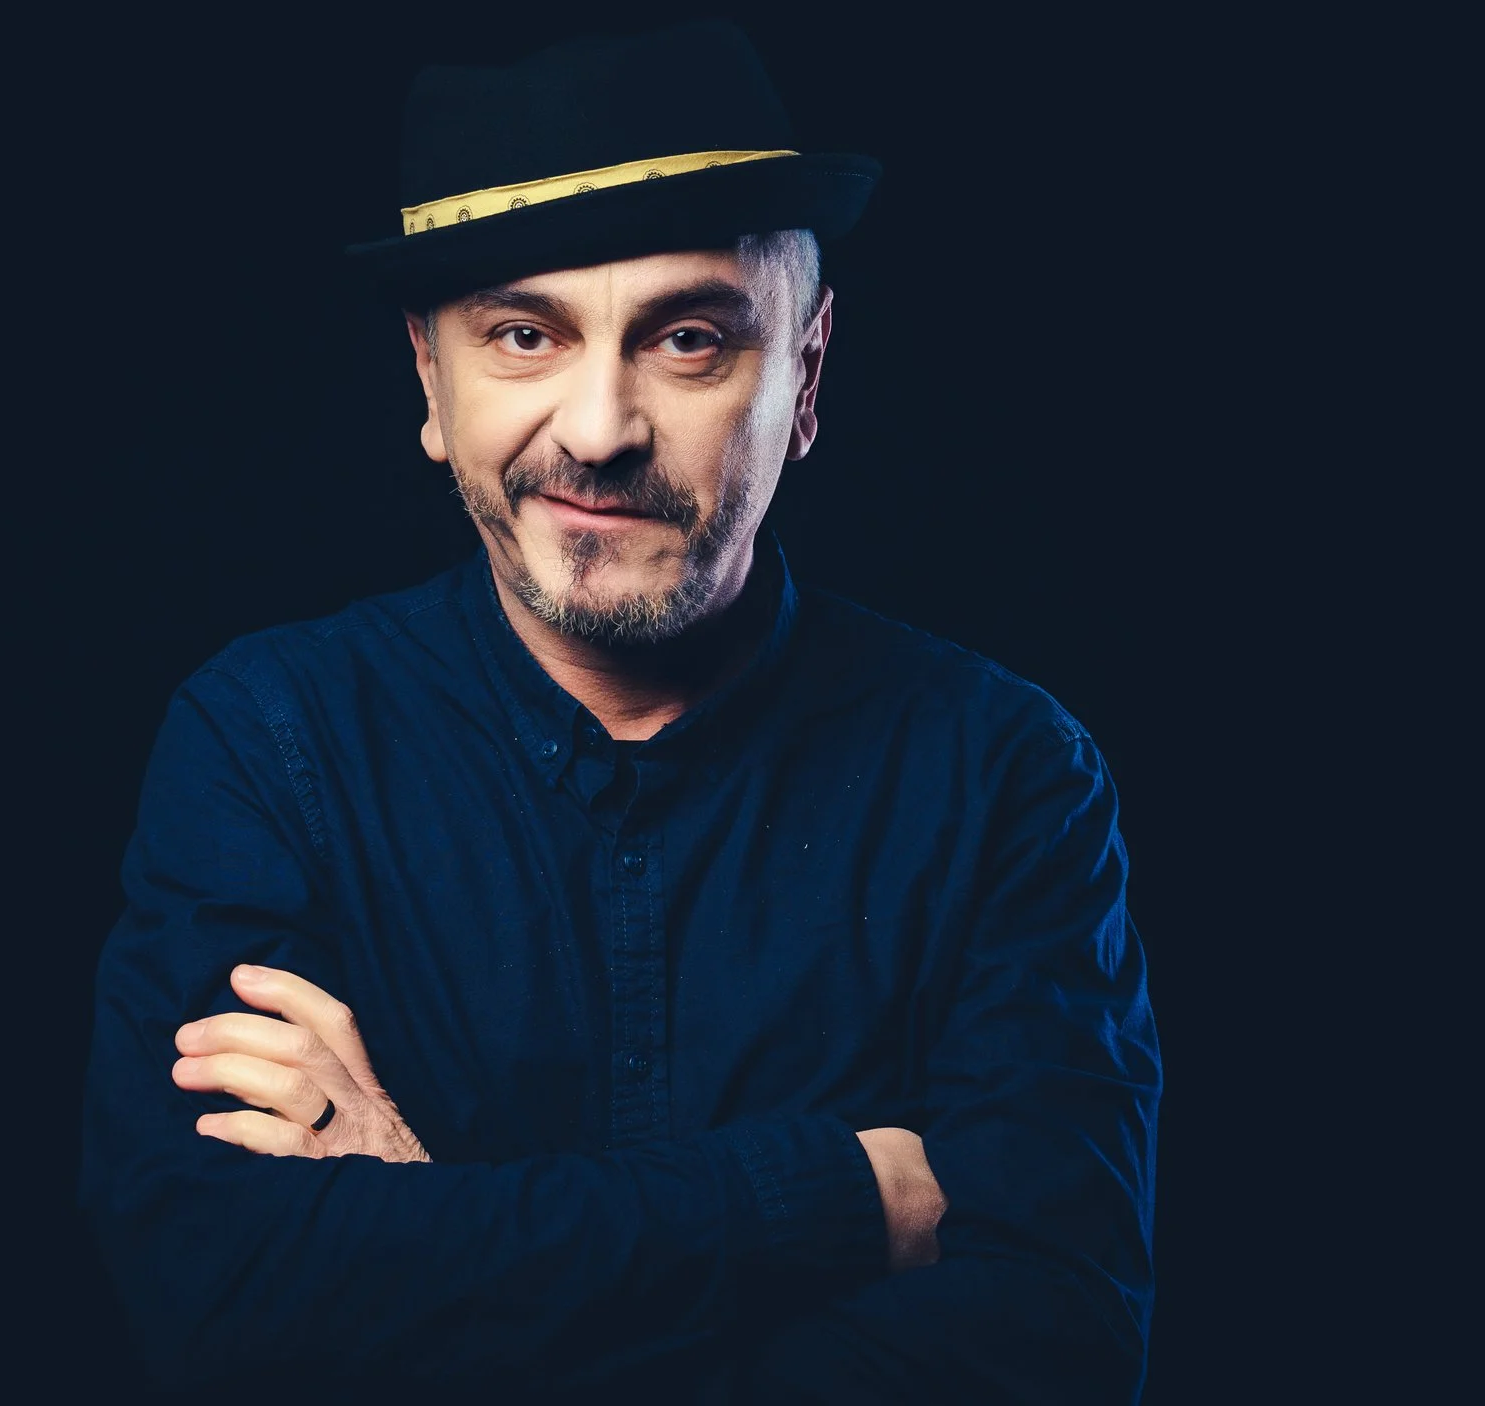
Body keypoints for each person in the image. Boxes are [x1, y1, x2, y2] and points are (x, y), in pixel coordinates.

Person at [79, 20, 1160, 1402]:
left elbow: (1054, 1352)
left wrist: (422, 1242)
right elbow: (221, 1309)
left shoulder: (1008, 775)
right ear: (431, 379)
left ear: (807, 375)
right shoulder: (264, 746)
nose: (598, 428)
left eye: (690, 341)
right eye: (523, 334)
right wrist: (834, 1197)